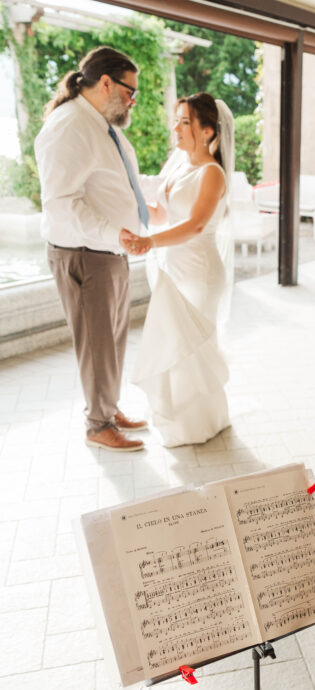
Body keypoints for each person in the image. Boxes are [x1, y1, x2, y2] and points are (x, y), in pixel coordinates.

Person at [34, 46, 150, 452]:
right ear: (106, 83)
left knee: (113, 338)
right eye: (130, 90)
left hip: (109, 251)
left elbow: (118, 184)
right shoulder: (68, 127)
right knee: (97, 342)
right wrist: (114, 234)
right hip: (86, 254)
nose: (133, 100)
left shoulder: (103, 125)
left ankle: (108, 406)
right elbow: (62, 205)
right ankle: (97, 425)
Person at [120, 92, 233, 447]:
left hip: (199, 271)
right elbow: (160, 216)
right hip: (174, 268)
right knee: (175, 341)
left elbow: (197, 225)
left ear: (208, 132)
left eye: (186, 122)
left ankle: (203, 423)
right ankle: (185, 421)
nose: (177, 128)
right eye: (177, 120)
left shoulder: (212, 173)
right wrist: (130, 211)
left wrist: (150, 243)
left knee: (194, 345)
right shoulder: (180, 167)